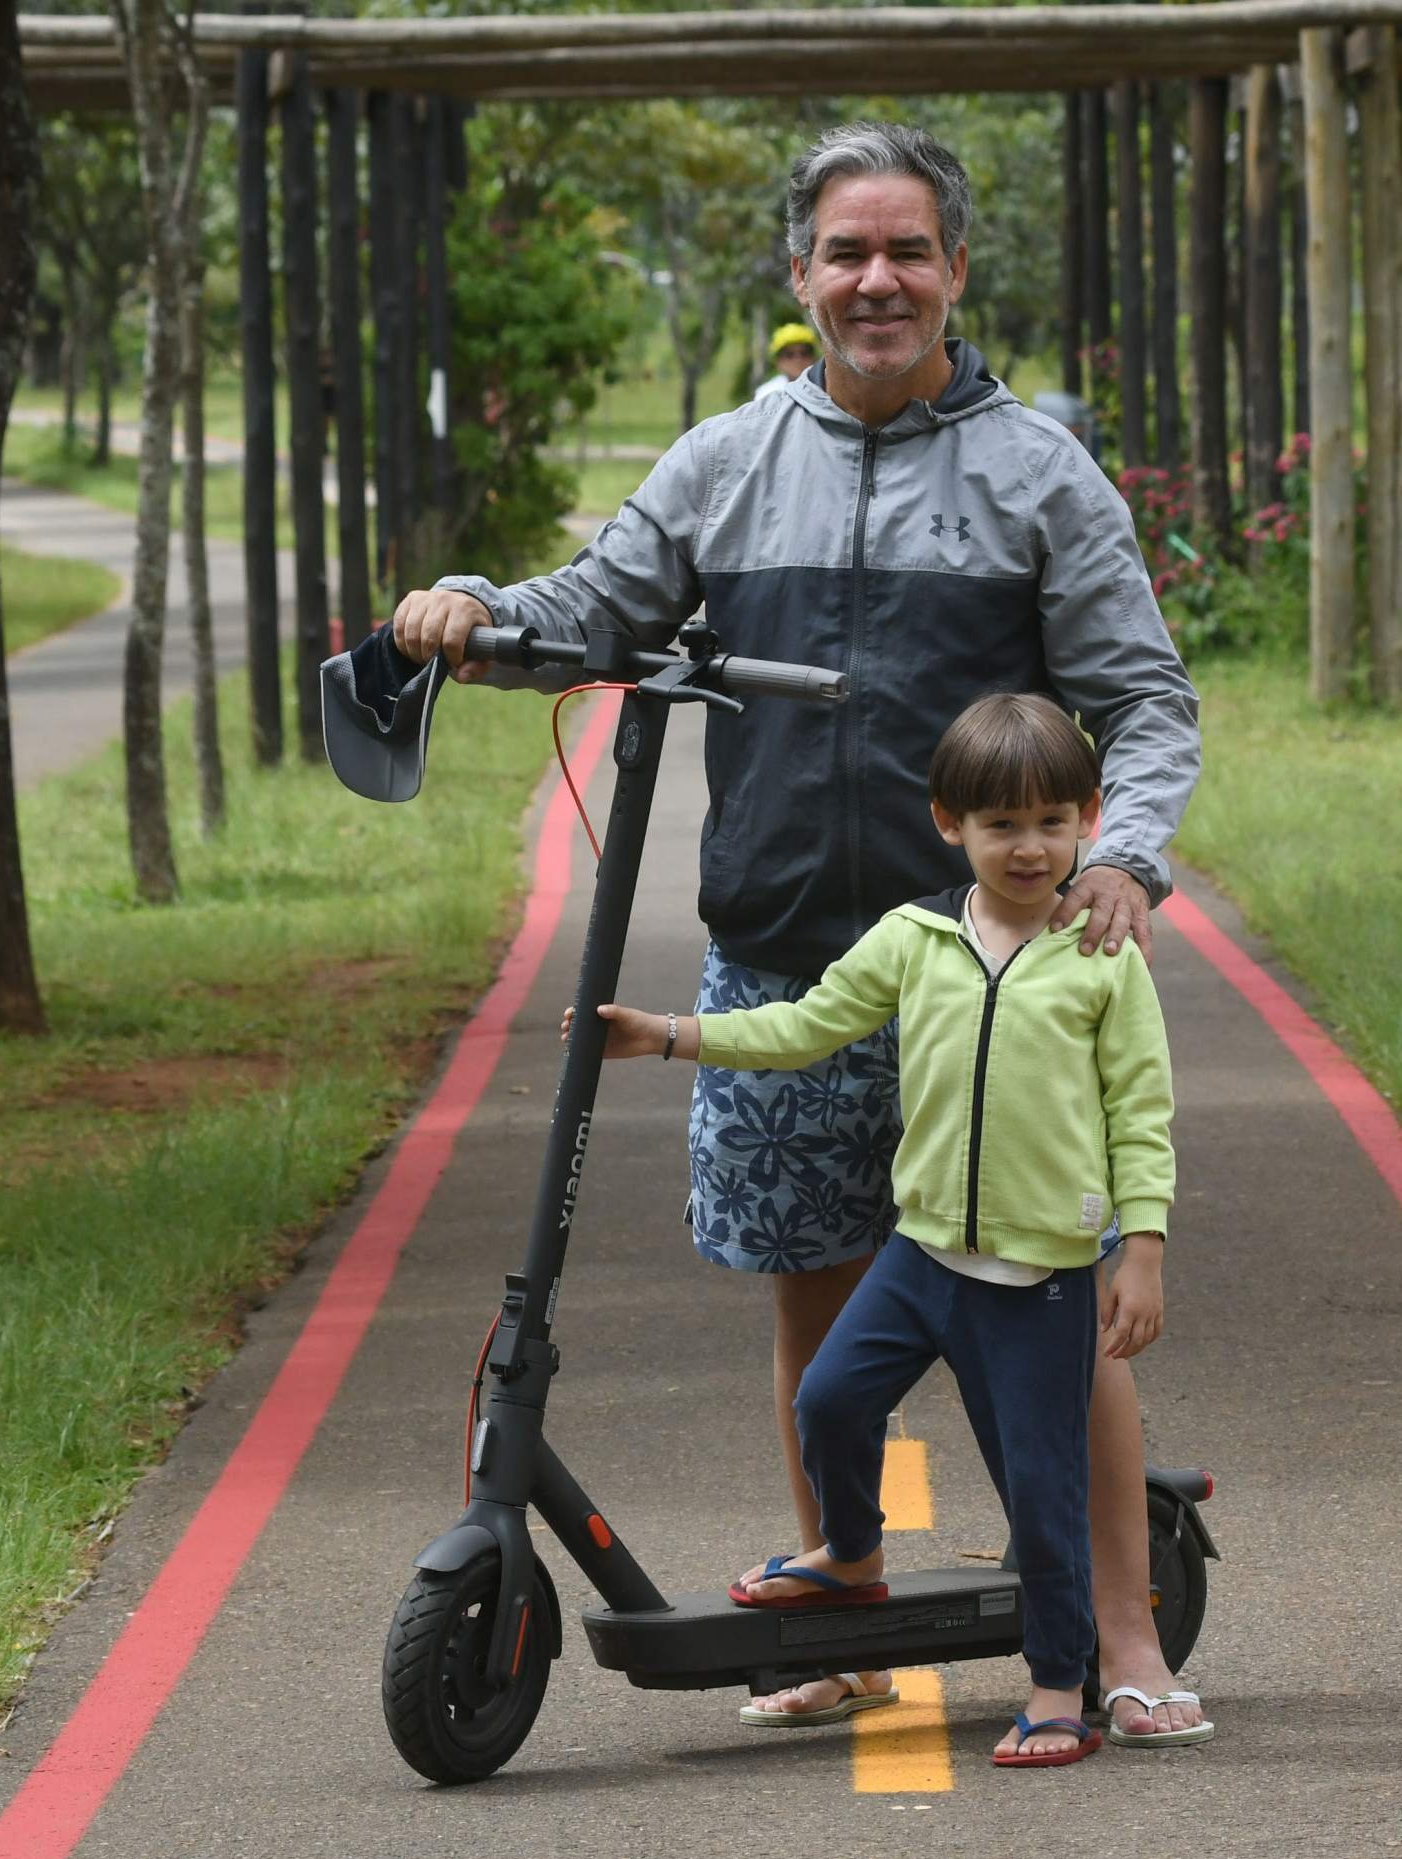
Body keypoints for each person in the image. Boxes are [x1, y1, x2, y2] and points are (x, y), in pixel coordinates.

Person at [379, 120, 1212, 1747]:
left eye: (908, 251)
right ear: (801, 273)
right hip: (785, 956)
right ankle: (847, 1601)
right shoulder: (729, 457)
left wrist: (1132, 858)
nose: (878, 280)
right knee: (815, 1297)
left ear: (958, 271)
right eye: (848, 252)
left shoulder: (1038, 472)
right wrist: (469, 612)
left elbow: (1144, 699)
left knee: (1040, 1303)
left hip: (993, 973)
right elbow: (597, 608)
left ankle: (1126, 1634)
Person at [577, 694, 1176, 1765]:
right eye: (1001, 826)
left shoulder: (1100, 953)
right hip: (922, 1256)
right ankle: (852, 1552)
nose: (1029, 847)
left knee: (1041, 1491)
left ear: (1089, 817)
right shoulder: (915, 938)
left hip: (1038, 1277)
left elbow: (1141, 1112)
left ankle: (1055, 1690)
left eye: (1051, 821)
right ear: (949, 823)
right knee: (830, 1399)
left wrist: (1141, 1250)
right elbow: (804, 1028)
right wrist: (664, 1036)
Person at [752, 320, 818, 401]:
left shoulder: (827, 390)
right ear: (778, 362)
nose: (798, 359)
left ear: (814, 358)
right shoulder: (767, 394)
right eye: (789, 355)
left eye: (804, 353)